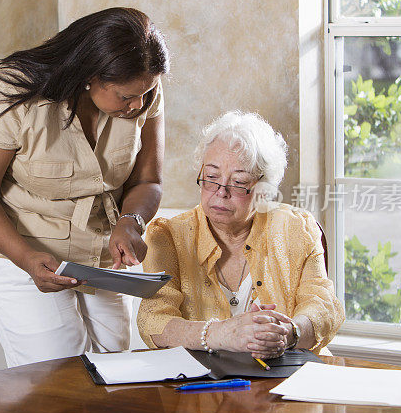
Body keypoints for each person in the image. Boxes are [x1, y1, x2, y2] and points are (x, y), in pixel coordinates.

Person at [0, 7, 169, 367]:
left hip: (100, 257)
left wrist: (130, 221)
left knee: (115, 370)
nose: (139, 106)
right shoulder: (6, 94)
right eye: (125, 97)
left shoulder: (142, 88)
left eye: (145, 95)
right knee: (56, 376)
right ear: (89, 75)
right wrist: (25, 259)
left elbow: (148, 180)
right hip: (20, 251)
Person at [137, 111, 344, 357]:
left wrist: (288, 333)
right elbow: (153, 320)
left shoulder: (296, 229)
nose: (220, 192)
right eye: (211, 177)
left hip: (287, 375)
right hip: (203, 384)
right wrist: (219, 334)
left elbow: (323, 306)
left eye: (238, 182)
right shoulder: (168, 236)